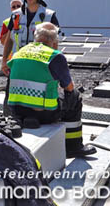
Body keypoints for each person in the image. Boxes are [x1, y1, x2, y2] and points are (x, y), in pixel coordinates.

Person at [7, 22, 96, 158]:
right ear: (54, 41)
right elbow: (69, 87)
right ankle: (73, 146)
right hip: (44, 113)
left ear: (35, 38)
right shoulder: (55, 56)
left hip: (17, 112)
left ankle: (27, 118)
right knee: (75, 97)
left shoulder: (19, 53)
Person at [1, 0, 59, 115]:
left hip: (38, 67)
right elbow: (9, 39)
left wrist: (52, 67)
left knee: (34, 104)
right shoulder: (15, 16)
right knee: (10, 102)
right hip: (18, 66)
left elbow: (55, 44)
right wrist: (4, 61)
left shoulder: (49, 16)